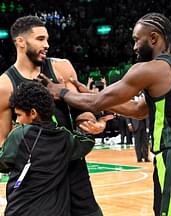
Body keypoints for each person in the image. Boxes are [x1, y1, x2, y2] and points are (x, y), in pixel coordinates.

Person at [43, 13, 171, 216]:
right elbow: (139, 110)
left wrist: (60, 91)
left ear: (154, 38)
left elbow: (96, 103)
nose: (134, 47)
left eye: (136, 39)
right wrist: (91, 93)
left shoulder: (150, 69)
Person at [0, 15, 107, 216]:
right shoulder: (4, 85)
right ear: (20, 42)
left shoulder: (62, 68)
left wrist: (90, 123)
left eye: (47, 39)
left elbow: (81, 110)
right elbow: (3, 141)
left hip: (72, 168)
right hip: (37, 179)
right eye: (40, 39)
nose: (47, 44)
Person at [0, 82, 95, 216]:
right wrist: (90, 129)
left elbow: (3, 163)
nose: (17, 120)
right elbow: (86, 143)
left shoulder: (20, 134)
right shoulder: (64, 137)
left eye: (19, 115)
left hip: (21, 210)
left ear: (33, 113)